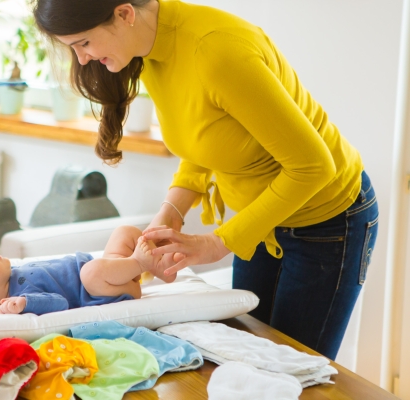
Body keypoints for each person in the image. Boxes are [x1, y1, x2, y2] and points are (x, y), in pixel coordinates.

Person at [32, 0, 379, 359]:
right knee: (248, 357)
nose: (83, 59)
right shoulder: (149, 48)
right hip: (260, 218)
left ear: (124, 14)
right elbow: (205, 140)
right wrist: (170, 211)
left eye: (83, 44)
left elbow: (314, 166)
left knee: (298, 371)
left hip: (328, 219)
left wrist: (218, 243)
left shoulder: (217, 51)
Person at [0, 225, 174, 315]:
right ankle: (141, 264)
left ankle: (159, 267)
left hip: (112, 271)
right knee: (90, 273)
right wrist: (25, 304)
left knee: (125, 232)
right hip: (103, 289)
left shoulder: (13, 272)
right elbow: (59, 303)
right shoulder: (21, 297)